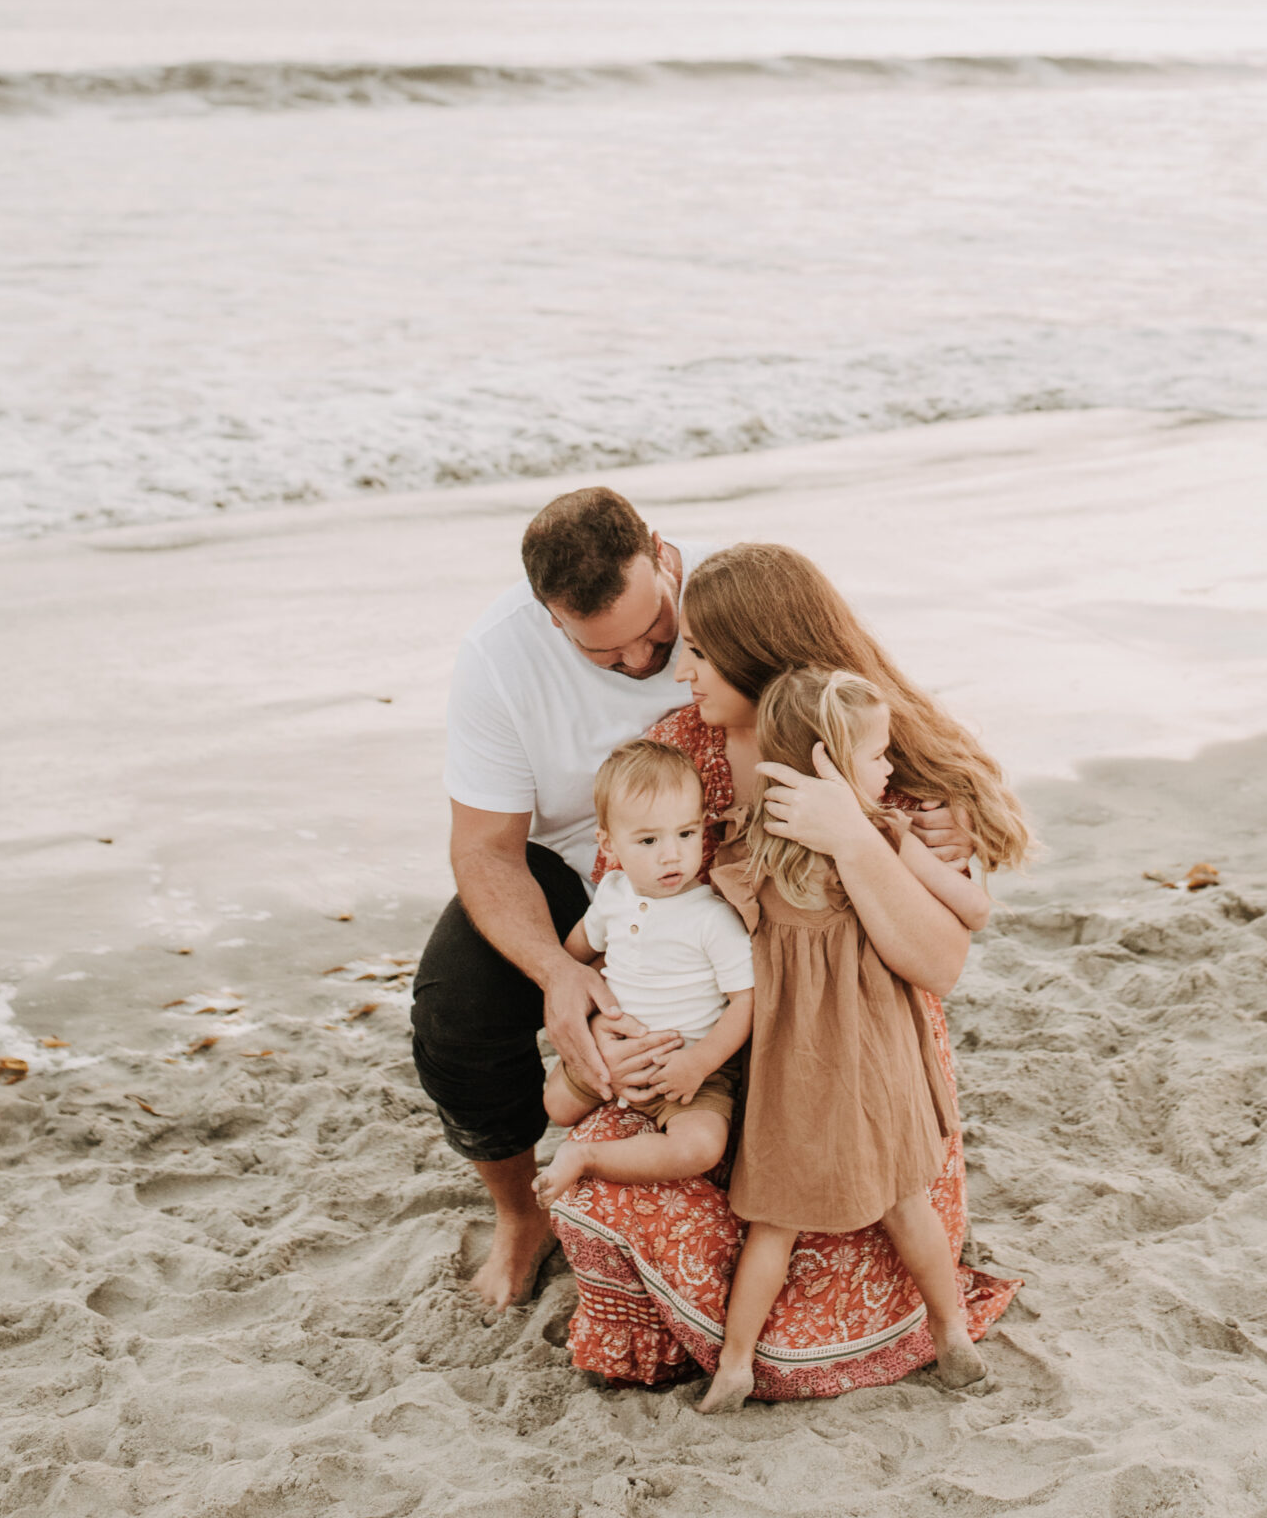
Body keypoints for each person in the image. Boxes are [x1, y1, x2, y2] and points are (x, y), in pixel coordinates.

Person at [412, 493, 970, 1309]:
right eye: (609, 653)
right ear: (552, 620)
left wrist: (901, 820)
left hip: (759, 909)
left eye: (663, 636)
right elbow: (485, 850)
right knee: (454, 1017)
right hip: (590, 870)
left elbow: (871, 720)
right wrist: (565, 979)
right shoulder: (502, 660)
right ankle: (516, 1215)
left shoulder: (743, 603)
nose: (648, 664)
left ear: (662, 556)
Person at [547, 542, 1032, 1399]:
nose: (677, 674)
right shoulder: (674, 760)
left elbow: (941, 960)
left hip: (856, 1056)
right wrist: (607, 1030)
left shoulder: (869, 759)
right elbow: (626, 920)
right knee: (604, 1181)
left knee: (864, 1228)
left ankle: (897, 1331)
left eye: (698, 652)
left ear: (763, 663)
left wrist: (851, 830)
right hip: (722, 1055)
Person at [699, 668, 992, 1412]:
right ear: (827, 763)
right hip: (878, 1056)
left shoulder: (745, 856)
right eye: (876, 756)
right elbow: (973, 910)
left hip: (792, 1068)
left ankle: (735, 1365)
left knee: (775, 1221)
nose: (889, 770)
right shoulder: (882, 836)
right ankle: (949, 1329)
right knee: (905, 1200)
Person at [530, 737, 754, 1208]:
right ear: (609, 845)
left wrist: (699, 1064)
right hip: (618, 1051)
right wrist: (594, 1027)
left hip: (688, 1066)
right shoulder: (612, 895)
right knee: (556, 1105)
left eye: (686, 834)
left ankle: (587, 1158)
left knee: (700, 1147)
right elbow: (573, 959)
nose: (671, 855)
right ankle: (587, 1125)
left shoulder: (712, 917)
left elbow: (746, 1001)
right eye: (649, 840)